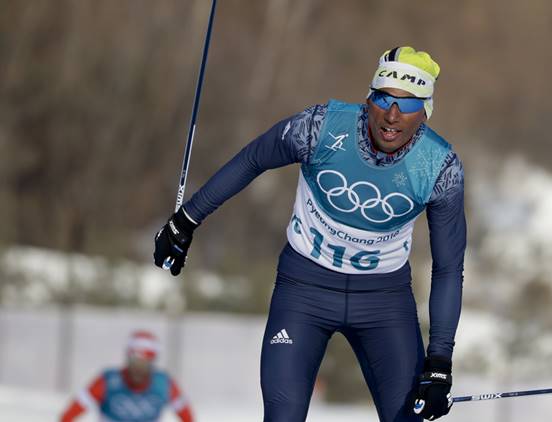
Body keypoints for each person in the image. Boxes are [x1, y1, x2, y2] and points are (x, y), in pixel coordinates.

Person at [154, 46, 466, 421]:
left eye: (410, 104)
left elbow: (448, 268)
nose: (393, 114)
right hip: (304, 291)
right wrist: (186, 220)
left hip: (383, 303)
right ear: (369, 98)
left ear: (426, 112)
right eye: (384, 98)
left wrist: (440, 361)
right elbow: (253, 159)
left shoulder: (440, 167)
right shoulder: (319, 127)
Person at [60, 331, 194, 422]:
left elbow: (188, 417)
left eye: (144, 364)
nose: (138, 368)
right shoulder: (108, 381)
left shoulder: (164, 384)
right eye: (134, 362)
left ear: (152, 363)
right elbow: (69, 415)